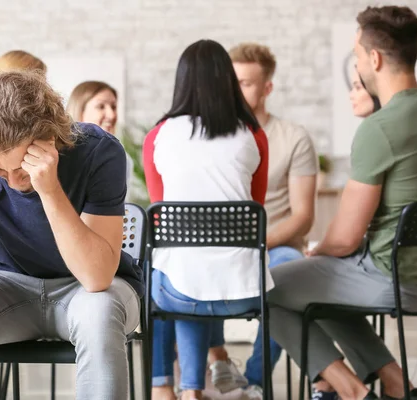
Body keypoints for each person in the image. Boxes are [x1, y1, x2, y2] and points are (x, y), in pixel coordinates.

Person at [0, 71, 143, 400]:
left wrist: (49, 190)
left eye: (21, 168)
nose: (10, 179)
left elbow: (96, 277)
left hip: (93, 290)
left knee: (99, 314)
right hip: (10, 288)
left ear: (51, 138)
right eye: (0, 170)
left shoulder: (99, 151)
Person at [267, 6, 417, 400]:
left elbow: (344, 239)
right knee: (324, 280)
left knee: (266, 289)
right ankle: (398, 385)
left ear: (374, 59)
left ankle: (352, 391)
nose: (358, 63)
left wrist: (317, 252)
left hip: (394, 280)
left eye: (358, 55)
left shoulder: (380, 128)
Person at [143, 38, 270, 400]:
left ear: (182, 82)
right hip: (246, 291)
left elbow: (160, 214)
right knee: (201, 271)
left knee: (171, 271)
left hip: (180, 292)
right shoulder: (254, 135)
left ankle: (180, 390)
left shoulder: (158, 136)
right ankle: (200, 381)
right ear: (228, 80)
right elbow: (254, 210)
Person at [223, 42, 319, 399]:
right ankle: (188, 382)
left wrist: (259, 244)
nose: (236, 90)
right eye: (232, 82)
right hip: (224, 250)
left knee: (284, 274)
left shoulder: (293, 137)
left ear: (267, 88)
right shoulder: (214, 138)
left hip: (276, 247)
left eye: (246, 83)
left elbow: (303, 216)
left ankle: (255, 381)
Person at [67, 81, 134, 199]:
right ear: (80, 111)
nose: (112, 115)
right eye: (101, 106)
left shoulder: (121, 157)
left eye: (113, 107)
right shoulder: (58, 154)